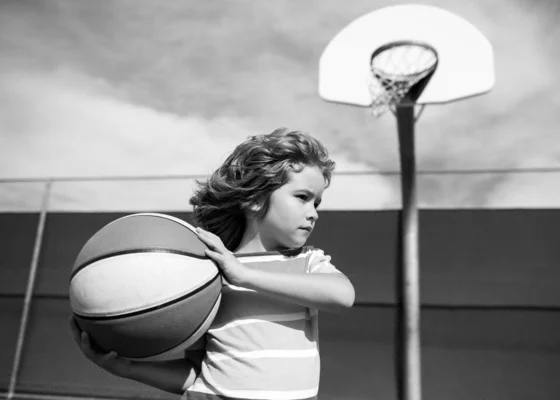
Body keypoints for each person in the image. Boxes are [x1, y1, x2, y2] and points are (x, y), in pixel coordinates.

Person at [69, 127, 355, 400]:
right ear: (255, 199)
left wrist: (245, 275)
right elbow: (196, 374)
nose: (313, 213)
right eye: (302, 198)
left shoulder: (306, 263)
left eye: (316, 203)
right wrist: (125, 368)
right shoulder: (204, 274)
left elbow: (342, 296)